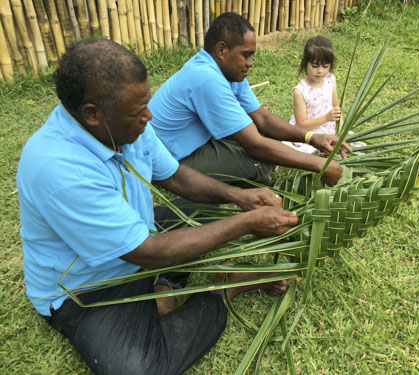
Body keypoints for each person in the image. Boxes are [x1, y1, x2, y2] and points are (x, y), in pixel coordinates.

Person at [16, 38, 298, 375]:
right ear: (93, 114)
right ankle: (226, 286)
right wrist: (247, 222)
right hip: (89, 289)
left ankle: (163, 284)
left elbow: (176, 177)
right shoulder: (58, 168)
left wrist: (239, 197)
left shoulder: (124, 127)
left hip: (137, 237)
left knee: (198, 204)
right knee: (138, 369)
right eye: (138, 112)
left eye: (146, 105)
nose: (149, 117)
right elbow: (147, 251)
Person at [148, 12, 351, 186]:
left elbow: (261, 118)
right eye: (246, 55)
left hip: (193, 143)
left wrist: (312, 138)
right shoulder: (206, 79)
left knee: (269, 143)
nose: (250, 63)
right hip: (168, 161)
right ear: (221, 50)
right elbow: (255, 145)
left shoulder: (228, 71)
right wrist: (320, 165)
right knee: (261, 161)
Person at [283, 35, 366, 154]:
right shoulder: (300, 91)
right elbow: (301, 125)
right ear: (305, 63)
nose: (320, 71)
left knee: (352, 146)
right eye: (315, 66)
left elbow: (335, 106)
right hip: (310, 132)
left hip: (330, 128)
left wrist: (341, 129)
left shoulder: (330, 79)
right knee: (310, 152)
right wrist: (326, 118)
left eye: (325, 66)